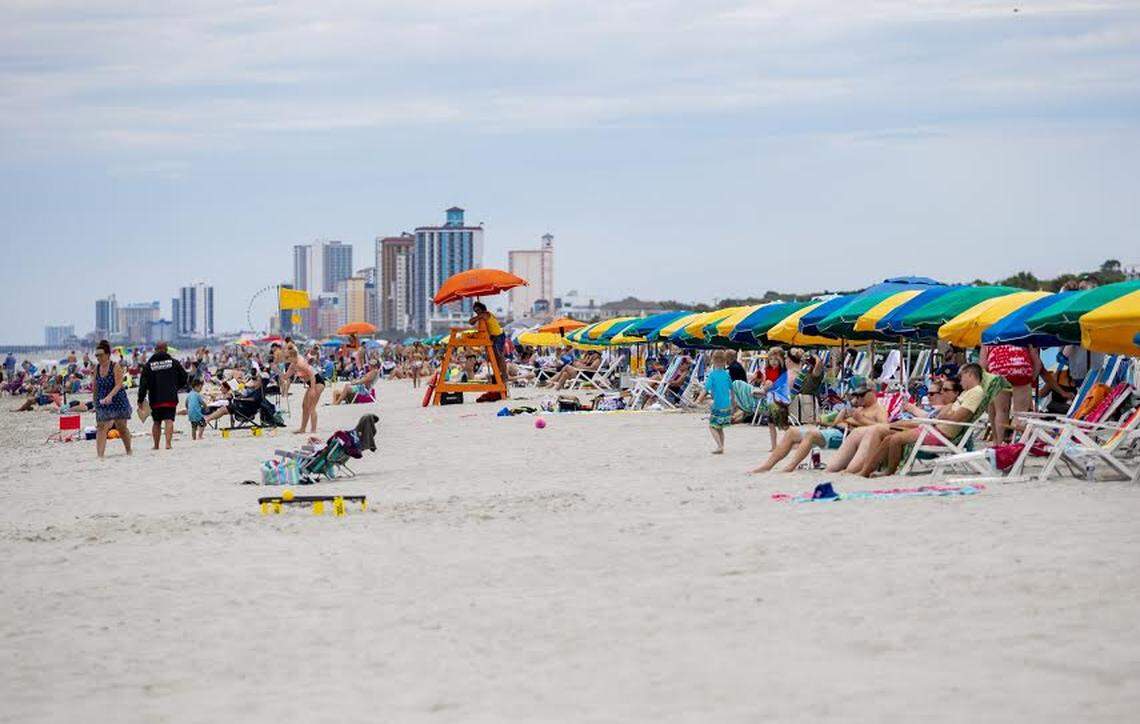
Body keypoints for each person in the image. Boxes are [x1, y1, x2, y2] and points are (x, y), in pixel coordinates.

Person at [855, 364, 986, 477]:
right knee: (889, 438)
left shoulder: (976, 392)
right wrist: (946, 414)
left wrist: (943, 416)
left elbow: (958, 417)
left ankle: (889, 472)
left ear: (970, 375)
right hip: (935, 428)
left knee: (895, 439)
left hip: (941, 433)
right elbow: (951, 412)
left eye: (962, 376)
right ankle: (867, 471)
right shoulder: (967, 392)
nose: (960, 380)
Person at [823, 379, 889, 473]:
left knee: (848, 470)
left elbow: (885, 427)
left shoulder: (879, 410)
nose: (859, 399)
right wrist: (844, 413)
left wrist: (862, 420)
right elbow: (838, 423)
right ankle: (838, 469)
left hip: (867, 438)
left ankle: (850, 470)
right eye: (857, 396)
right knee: (830, 469)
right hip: (852, 435)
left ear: (872, 393)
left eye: (861, 395)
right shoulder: (859, 409)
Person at [138, 341, 188, 450]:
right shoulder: (174, 362)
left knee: (156, 422)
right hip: (170, 397)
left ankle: (156, 445)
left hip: (155, 398)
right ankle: (168, 444)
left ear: (155, 350)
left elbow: (143, 384)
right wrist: (176, 387)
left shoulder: (149, 365)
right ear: (166, 349)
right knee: (169, 420)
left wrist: (140, 399)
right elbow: (184, 377)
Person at [92, 340, 132, 458]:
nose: (98, 358)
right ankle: (100, 455)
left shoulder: (115, 366)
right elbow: (95, 387)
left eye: (101, 355)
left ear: (108, 354)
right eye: (97, 355)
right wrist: (95, 402)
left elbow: (119, 384)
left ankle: (129, 450)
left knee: (121, 427)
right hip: (102, 400)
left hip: (118, 400)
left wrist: (110, 396)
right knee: (101, 427)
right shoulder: (96, 368)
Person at [696, 350, 732, 454]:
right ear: (725, 362)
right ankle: (722, 446)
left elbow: (705, 389)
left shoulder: (712, 375)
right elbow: (732, 388)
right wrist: (733, 403)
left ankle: (719, 446)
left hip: (717, 405)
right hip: (726, 405)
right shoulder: (726, 374)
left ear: (713, 361)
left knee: (712, 426)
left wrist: (698, 400)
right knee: (720, 428)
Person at [283, 345, 324, 434]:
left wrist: (312, 389)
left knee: (312, 407)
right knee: (304, 406)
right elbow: (286, 376)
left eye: (287, 357)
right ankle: (302, 429)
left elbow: (312, 375)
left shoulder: (300, 363)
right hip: (311, 384)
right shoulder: (293, 364)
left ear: (293, 356)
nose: (286, 359)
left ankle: (313, 430)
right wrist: (278, 372)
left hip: (317, 382)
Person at [470, 302, 506, 388]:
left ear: (482, 309)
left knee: (499, 356)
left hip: (498, 336)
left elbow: (471, 322)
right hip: (494, 336)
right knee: (495, 357)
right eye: (475, 311)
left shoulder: (485, 314)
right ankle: (500, 375)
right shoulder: (483, 316)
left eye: (477, 310)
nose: (476, 312)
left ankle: (503, 376)